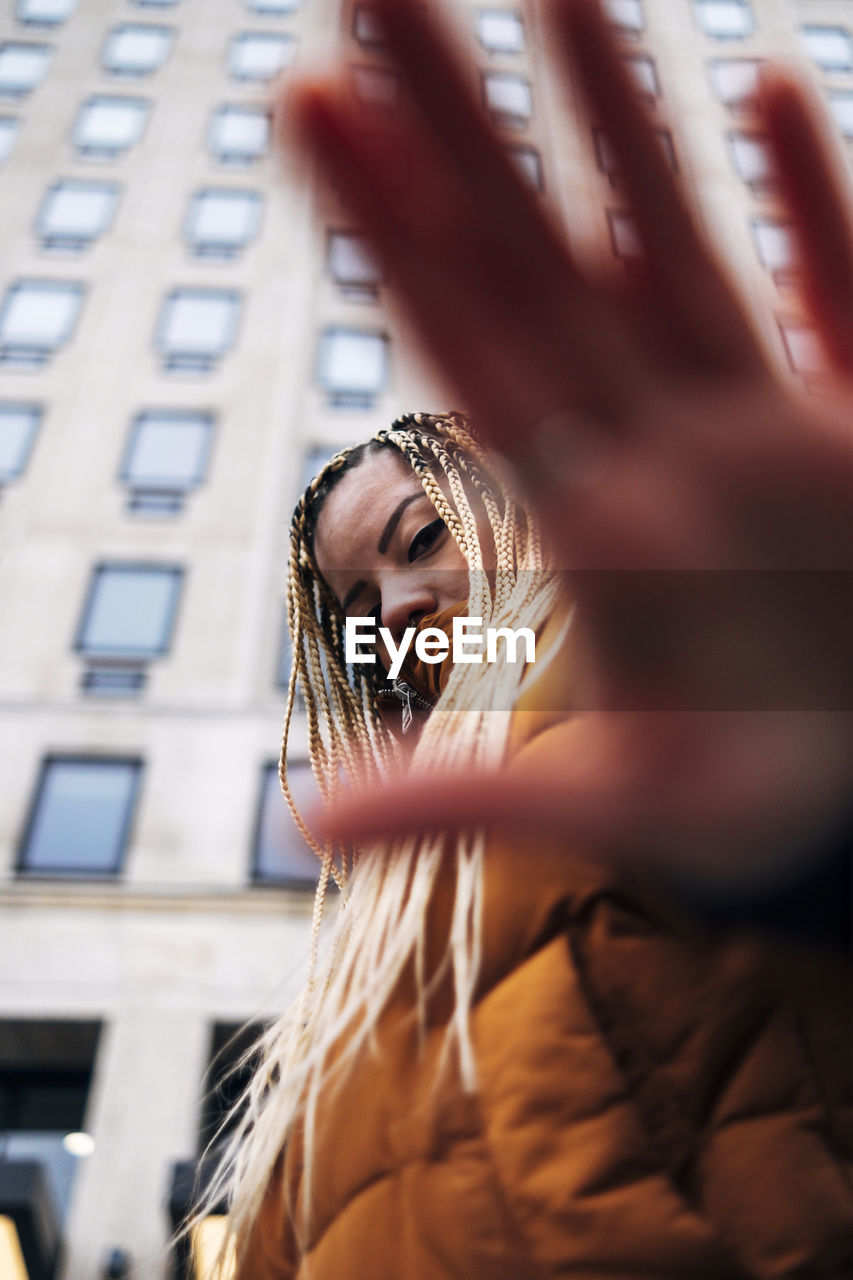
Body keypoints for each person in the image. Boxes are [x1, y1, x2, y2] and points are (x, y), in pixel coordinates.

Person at [199, 0, 852, 1274]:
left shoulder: (665, 718)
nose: (388, 612)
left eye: (418, 539)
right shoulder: (369, 924)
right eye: (351, 603)